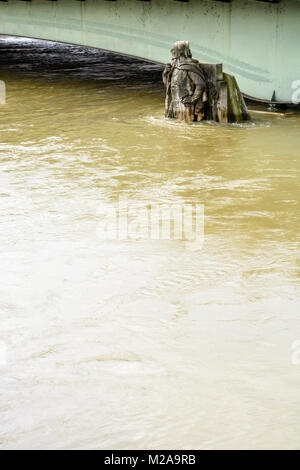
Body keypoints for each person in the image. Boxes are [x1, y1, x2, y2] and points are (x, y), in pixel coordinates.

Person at [163, 41, 207, 122]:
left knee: (186, 128)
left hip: (185, 106)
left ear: (178, 52)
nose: (172, 52)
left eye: (174, 50)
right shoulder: (174, 68)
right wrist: (165, 75)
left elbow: (200, 84)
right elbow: (169, 87)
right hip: (174, 104)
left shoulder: (189, 67)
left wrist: (192, 99)